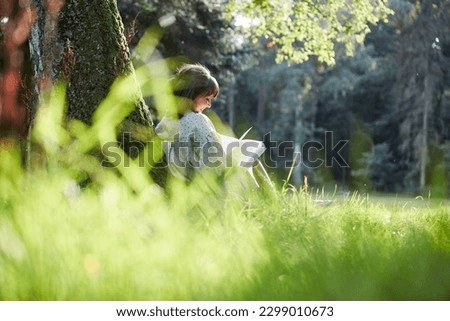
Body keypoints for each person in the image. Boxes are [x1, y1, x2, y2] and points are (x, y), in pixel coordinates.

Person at [155, 63, 273, 189]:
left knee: (243, 151)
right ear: (193, 94)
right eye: (207, 98)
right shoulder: (196, 120)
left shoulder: (166, 121)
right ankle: (272, 198)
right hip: (210, 181)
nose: (209, 105)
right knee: (248, 152)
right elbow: (215, 157)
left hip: (188, 180)